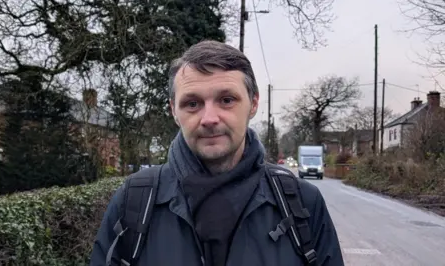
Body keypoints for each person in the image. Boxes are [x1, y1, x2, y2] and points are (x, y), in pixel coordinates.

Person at [90, 40, 344, 266]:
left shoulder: (302, 202)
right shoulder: (133, 200)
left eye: (226, 100)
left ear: (253, 103)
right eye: (192, 103)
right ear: (173, 111)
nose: (209, 119)